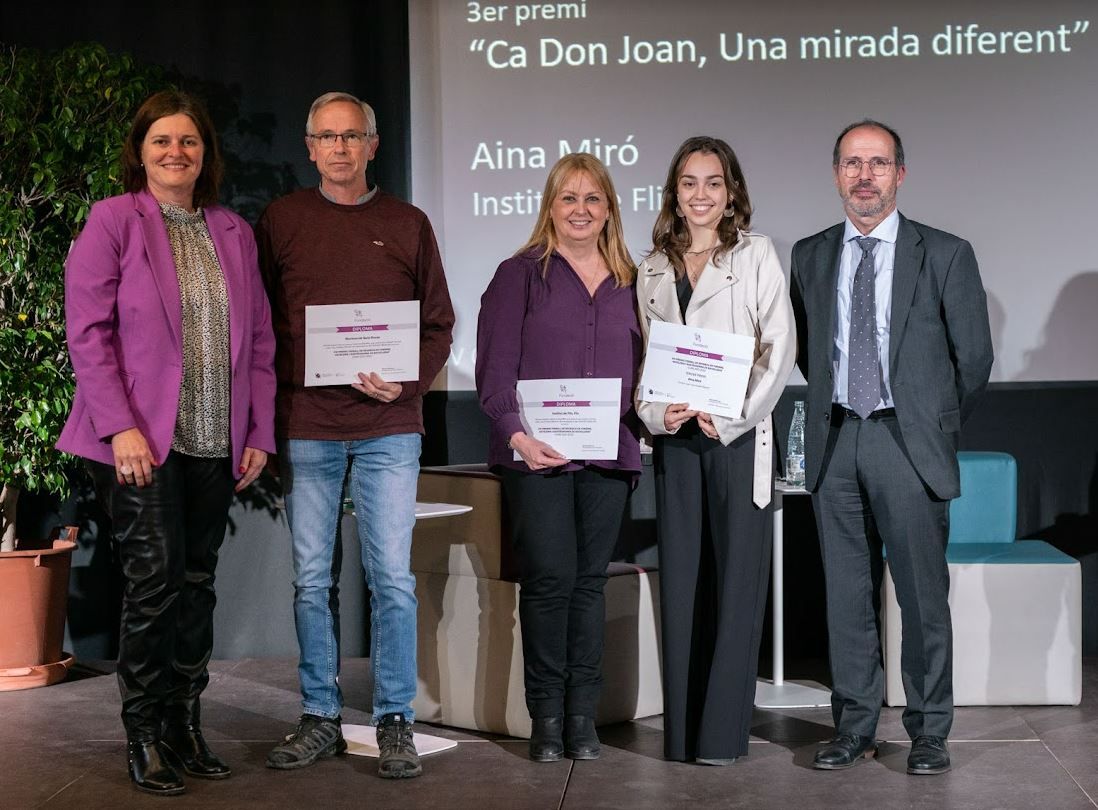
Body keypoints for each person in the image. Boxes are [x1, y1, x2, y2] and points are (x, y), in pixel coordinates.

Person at [57, 90, 276, 796]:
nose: (176, 153)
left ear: (205, 153)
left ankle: (184, 726)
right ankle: (143, 735)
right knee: (153, 586)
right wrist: (119, 424)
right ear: (140, 151)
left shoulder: (233, 233)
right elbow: (87, 333)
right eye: (162, 142)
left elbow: (263, 344)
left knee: (196, 585)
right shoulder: (114, 220)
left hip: (217, 439)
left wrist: (259, 432)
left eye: (188, 141)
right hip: (140, 442)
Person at [256, 91, 454, 780]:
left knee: (391, 580)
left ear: (374, 146)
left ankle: (395, 719)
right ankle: (319, 716)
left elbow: (438, 324)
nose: (339, 148)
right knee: (313, 580)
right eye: (326, 137)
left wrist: (409, 383)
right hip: (307, 425)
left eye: (353, 136)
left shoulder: (408, 222)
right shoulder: (281, 220)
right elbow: (259, 325)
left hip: (388, 428)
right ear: (308, 147)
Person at [790, 119, 993, 775]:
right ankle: (853, 728)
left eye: (877, 163)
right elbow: (805, 351)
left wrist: (926, 423)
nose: (865, 176)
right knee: (846, 599)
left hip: (907, 444)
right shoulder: (810, 254)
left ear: (900, 173)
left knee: (921, 598)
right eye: (852, 162)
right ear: (836, 173)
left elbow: (974, 360)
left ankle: (930, 731)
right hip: (836, 441)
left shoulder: (947, 252)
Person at [476, 153, 642, 762]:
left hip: (609, 452)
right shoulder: (520, 274)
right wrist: (518, 435)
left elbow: (650, 366)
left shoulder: (634, 278)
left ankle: (582, 717)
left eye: (592, 199)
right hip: (536, 454)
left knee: (589, 586)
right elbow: (496, 368)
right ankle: (546, 717)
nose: (580, 209)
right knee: (549, 582)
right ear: (549, 206)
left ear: (609, 210)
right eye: (568, 198)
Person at [635, 136, 796, 764]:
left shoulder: (755, 254)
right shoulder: (651, 266)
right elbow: (645, 358)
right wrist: (657, 412)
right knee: (681, 586)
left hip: (734, 437)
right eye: (688, 183)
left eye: (713, 182)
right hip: (677, 440)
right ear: (674, 192)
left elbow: (778, 350)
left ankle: (722, 738)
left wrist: (729, 414)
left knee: (734, 589)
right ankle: (680, 738)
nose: (700, 195)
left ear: (732, 193)